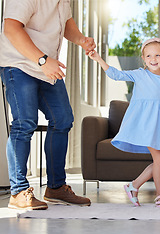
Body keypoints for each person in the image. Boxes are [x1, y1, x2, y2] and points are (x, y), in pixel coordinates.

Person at [88, 38, 160, 208]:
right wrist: (98, 59)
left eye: (158, 55)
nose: (153, 59)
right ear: (143, 58)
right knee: (158, 160)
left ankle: (133, 185)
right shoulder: (139, 74)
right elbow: (116, 74)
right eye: (149, 55)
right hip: (144, 123)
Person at [0, 0, 95, 210]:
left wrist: (81, 40)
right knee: (25, 123)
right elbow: (11, 27)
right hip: (20, 64)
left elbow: (66, 22)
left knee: (62, 120)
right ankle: (18, 192)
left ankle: (56, 187)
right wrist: (43, 60)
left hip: (45, 66)